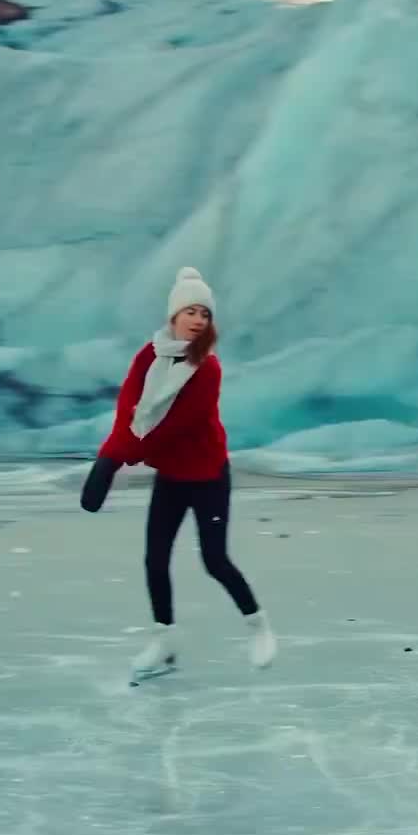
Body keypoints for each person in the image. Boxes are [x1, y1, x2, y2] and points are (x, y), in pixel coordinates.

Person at [98, 267, 276, 682]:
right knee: (154, 559)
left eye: (205, 314)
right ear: (173, 315)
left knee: (214, 559)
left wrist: (119, 458)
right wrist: (110, 452)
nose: (199, 319)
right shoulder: (150, 356)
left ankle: (259, 626)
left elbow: (172, 426)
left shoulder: (207, 370)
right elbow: (131, 405)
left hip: (208, 474)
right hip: (173, 476)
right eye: (191, 311)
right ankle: (165, 641)